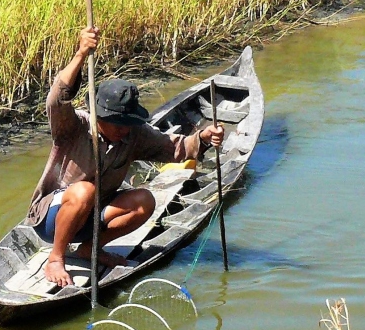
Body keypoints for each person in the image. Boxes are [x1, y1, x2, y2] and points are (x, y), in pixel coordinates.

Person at [30, 26, 223, 287]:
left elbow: (175, 148)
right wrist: (81, 53)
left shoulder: (134, 135)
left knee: (145, 200)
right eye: (117, 123)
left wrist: (202, 138)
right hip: (52, 219)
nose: (123, 129)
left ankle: (90, 249)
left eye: (127, 123)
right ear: (100, 116)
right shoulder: (74, 127)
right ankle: (56, 257)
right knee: (84, 191)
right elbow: (56, 100)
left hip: (94, 217)